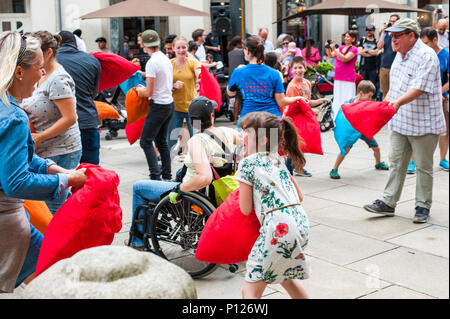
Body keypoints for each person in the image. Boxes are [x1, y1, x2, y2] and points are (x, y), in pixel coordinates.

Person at [0, 31, 87, 293]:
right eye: (38, 68)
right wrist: (66, 179)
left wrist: (52, 168)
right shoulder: (14, 116)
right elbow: (16, 182)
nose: (41, 75)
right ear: (18, 72)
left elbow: (19, 157)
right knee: (57, 276)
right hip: (7, 220)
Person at [127, 97, 240, 249]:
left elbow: (205, 177)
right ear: (212, 116)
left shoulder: (198, 141)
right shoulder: (228, 132)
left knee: (139, 187)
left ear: (192, 121)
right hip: (215, 192)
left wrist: (179, 189)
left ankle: (137, 241)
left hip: (192, 195)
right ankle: (159, 226)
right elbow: (247, 141)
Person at [363, 18, 447, 224]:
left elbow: (417, 88)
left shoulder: (426, 56)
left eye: (397, 35)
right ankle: (388, 202)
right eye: (391, 35)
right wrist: (387, 101)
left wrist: (397, 102)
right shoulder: (399, 55)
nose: (393, 39)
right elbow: (397, 84)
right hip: (400, 120)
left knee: (423, 167)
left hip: (423, 122)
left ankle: (422, 206)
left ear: (412, 36)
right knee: (396, 163)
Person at [236, 111, 310, 299]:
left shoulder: (247, 164)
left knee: (250, 290)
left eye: (247, 132)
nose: (242, 135)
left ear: (264, 140)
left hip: (278, 228)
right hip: (301, 223)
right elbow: (299, 196)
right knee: (286, 278)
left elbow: (245, 209)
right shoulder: (277, 160)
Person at [22, 31, 82, 215]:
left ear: (48, 52)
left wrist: (40, 136)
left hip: (62, 150)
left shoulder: (58, 78)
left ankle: (64, 242)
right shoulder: (41, 74)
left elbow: (70, 118)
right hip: (45, 150)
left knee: (54, 209)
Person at [226, 36, 301, 128]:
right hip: (272, 120)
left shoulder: (238, 72)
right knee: (273, 143)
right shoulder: (274, 73)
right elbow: (281, 102)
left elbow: (230, 93)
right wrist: (297, 98)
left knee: (249, 142)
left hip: (248, 120)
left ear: (247, 51)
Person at [57, 31, 102, 165]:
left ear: (58, 43)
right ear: (76, 44)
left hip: (61, 124)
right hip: (88, 121)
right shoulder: (92, 60)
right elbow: (95, 93)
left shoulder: (52, 61)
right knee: (91, 171)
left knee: (66, 175)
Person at [135, 30, 174, 181]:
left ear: (145, 45)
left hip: (158, 106)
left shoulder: (152, 63)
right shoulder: (165, 58)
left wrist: (139, 90)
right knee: (161, 141)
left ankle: (155, 177)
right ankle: (167, 175)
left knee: (145, 141)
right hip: (168, 104)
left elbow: (149, 91)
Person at [329, 80, 389, 180]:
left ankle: (378, 163)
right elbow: (344, 113)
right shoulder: (350, 102)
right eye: (369, 96)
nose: (370, 99)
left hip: (363, 129)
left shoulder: (367, 103)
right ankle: (334, 169)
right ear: (361, 93)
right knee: (345, 150)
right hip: (352, 131)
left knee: (376, 148)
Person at [285, 56, 328, 177]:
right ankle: (289, 169)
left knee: (301, 143)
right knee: (296, 144)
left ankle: (298, 168)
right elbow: (294, 105)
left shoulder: (307, 83)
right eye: (295, 68)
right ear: (291, 70)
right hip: (294, 117)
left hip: (304, 115)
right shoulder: (292, 86)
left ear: (305, 69)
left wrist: (320, 101)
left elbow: (307, 102)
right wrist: (312, 110)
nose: (298, 70)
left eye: (300, 67)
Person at [420, 27, 449, 171]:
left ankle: (443, 159)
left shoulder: (445, 55)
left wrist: (438, 93)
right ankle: (414, 160)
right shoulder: (420, 55)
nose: (423, 47)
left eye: (426, 43)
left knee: (444, 130)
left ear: (435, 40)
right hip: (421, 98)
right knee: (419, 130)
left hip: (442, 98)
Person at [167, 36, 202, 153]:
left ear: (187, 48)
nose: (181, 50)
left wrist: (200, 75)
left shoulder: (193, 62)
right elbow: (164, 85)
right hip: (175, 107)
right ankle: (167, 162)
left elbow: (199, 72)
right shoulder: (169, 64)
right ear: (173, 48)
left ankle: (197, 160)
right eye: (178, 47)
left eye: (184, 47)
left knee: (197, 137)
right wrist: (173, 85)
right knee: (172, 137)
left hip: (193, 106)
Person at [329, 30, 359, 119]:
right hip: (338, 76)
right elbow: (331, 55)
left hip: (348, 77)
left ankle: (348, 116)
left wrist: (335, 49)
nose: (345, 38)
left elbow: (345, 59)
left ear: (353, 39)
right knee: (338, 97)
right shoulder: (341, 47)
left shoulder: (354, 49)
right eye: (345, 36)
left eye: (348, 37)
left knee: (348, 96)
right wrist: (328, 47)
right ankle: (336, 116)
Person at [377, 14, 400, 100]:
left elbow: (394, 49)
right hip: (384, 66)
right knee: (384, 92)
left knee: (395, 92)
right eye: (390, 21)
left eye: (394, 21)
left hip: (395, 66)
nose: (391, 23)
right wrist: (383, 32)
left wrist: (393, 34)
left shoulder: (398, 34)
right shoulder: (386, 33)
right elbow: (379, 46)